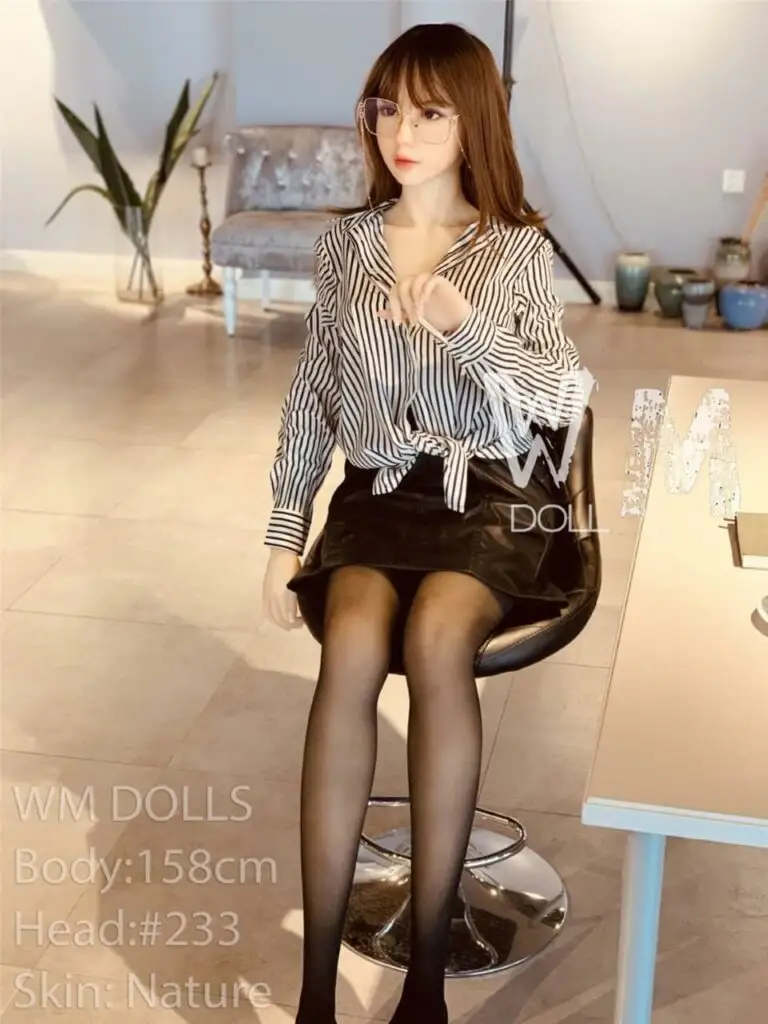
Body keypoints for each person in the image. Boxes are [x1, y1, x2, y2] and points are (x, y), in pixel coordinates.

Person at [262, 22, 582, 1024]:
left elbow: (561, 399)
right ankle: (317, 992)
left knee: (439, 635)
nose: (403, 132)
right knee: (353, 641)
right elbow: (313, 397)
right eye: (387, 107)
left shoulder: (516, 250)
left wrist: (463, 325)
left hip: (489, 493)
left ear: (472, 120)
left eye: (431, 112)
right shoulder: (345, 249)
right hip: (377, 494)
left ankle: (427, 985)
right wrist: (284, 530)